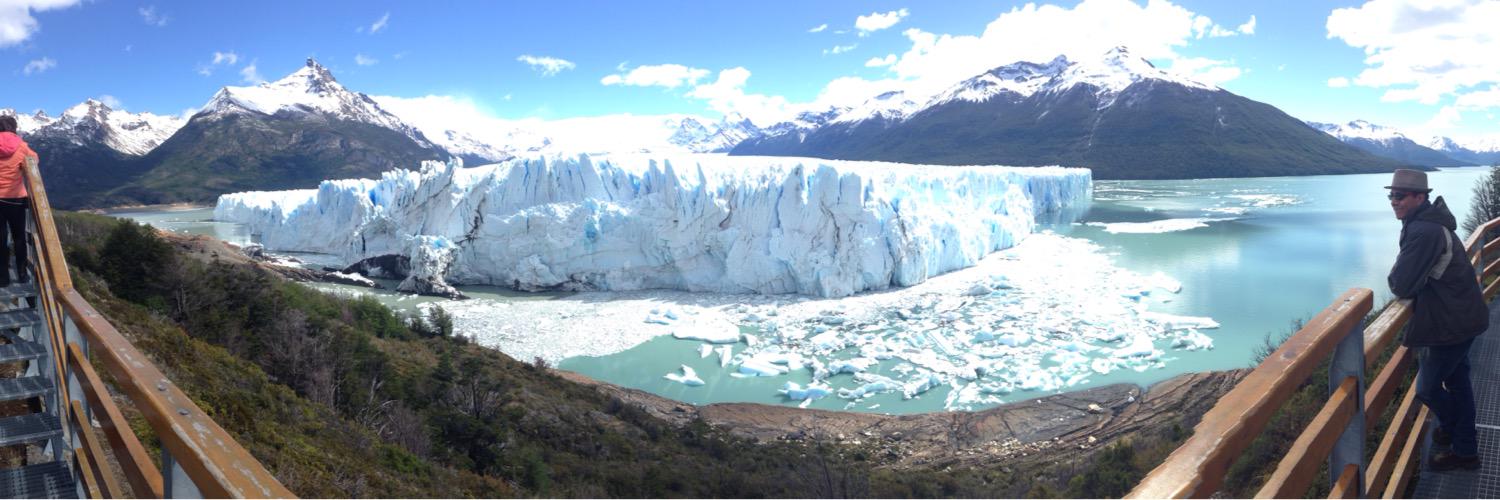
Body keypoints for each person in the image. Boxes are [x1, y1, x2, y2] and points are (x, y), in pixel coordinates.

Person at [1387, 168, 1490, 471]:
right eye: (1391, 195)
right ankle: (1465, 447)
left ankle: (1460, 436)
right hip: (1462, 317)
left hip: (1450, 323)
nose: (1393, 201)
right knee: (1458, 383)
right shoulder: (1426, 224)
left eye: (1400, 195)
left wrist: (1403, 275)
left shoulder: (1424, 231)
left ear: (1420, 197)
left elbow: (1400, 284)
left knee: (1427, 389)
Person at [0, 115, 35, 287]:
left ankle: (3, 278)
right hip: (16, 200)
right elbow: (34, 160)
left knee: (0, 239)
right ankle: (22, 274)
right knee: (19, 237)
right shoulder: (21, 146)